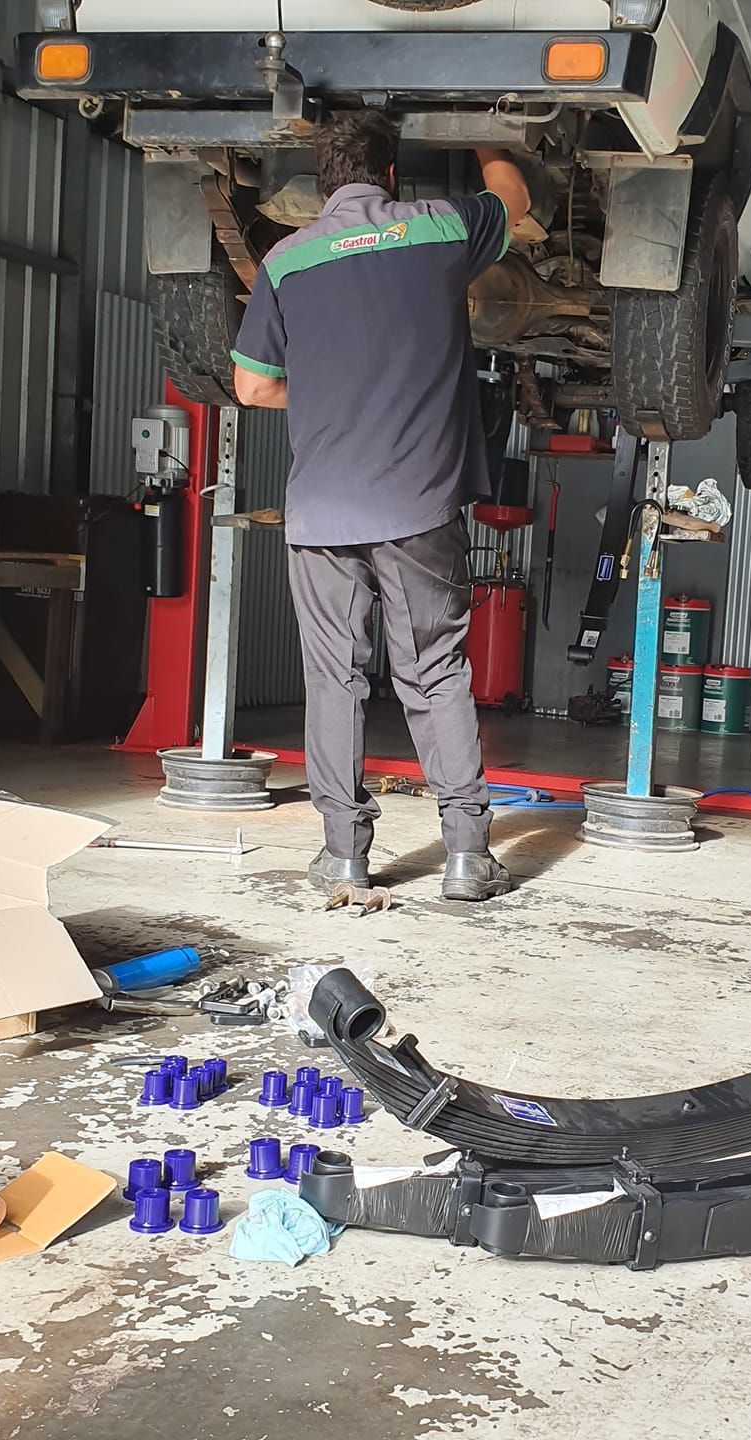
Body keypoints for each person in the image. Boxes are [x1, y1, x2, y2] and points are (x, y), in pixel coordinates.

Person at [232, 110, 531, 902]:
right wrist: (486, 134)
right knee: (433, 673)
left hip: (321, 512)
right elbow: (514, 197)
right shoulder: (438, 227)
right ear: (390, 175)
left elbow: (252, 386)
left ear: (320, 184)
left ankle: (343, 856)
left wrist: (326, 391)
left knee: (334, 679)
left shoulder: (286, 259)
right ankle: (466, 858)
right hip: (417, 503)